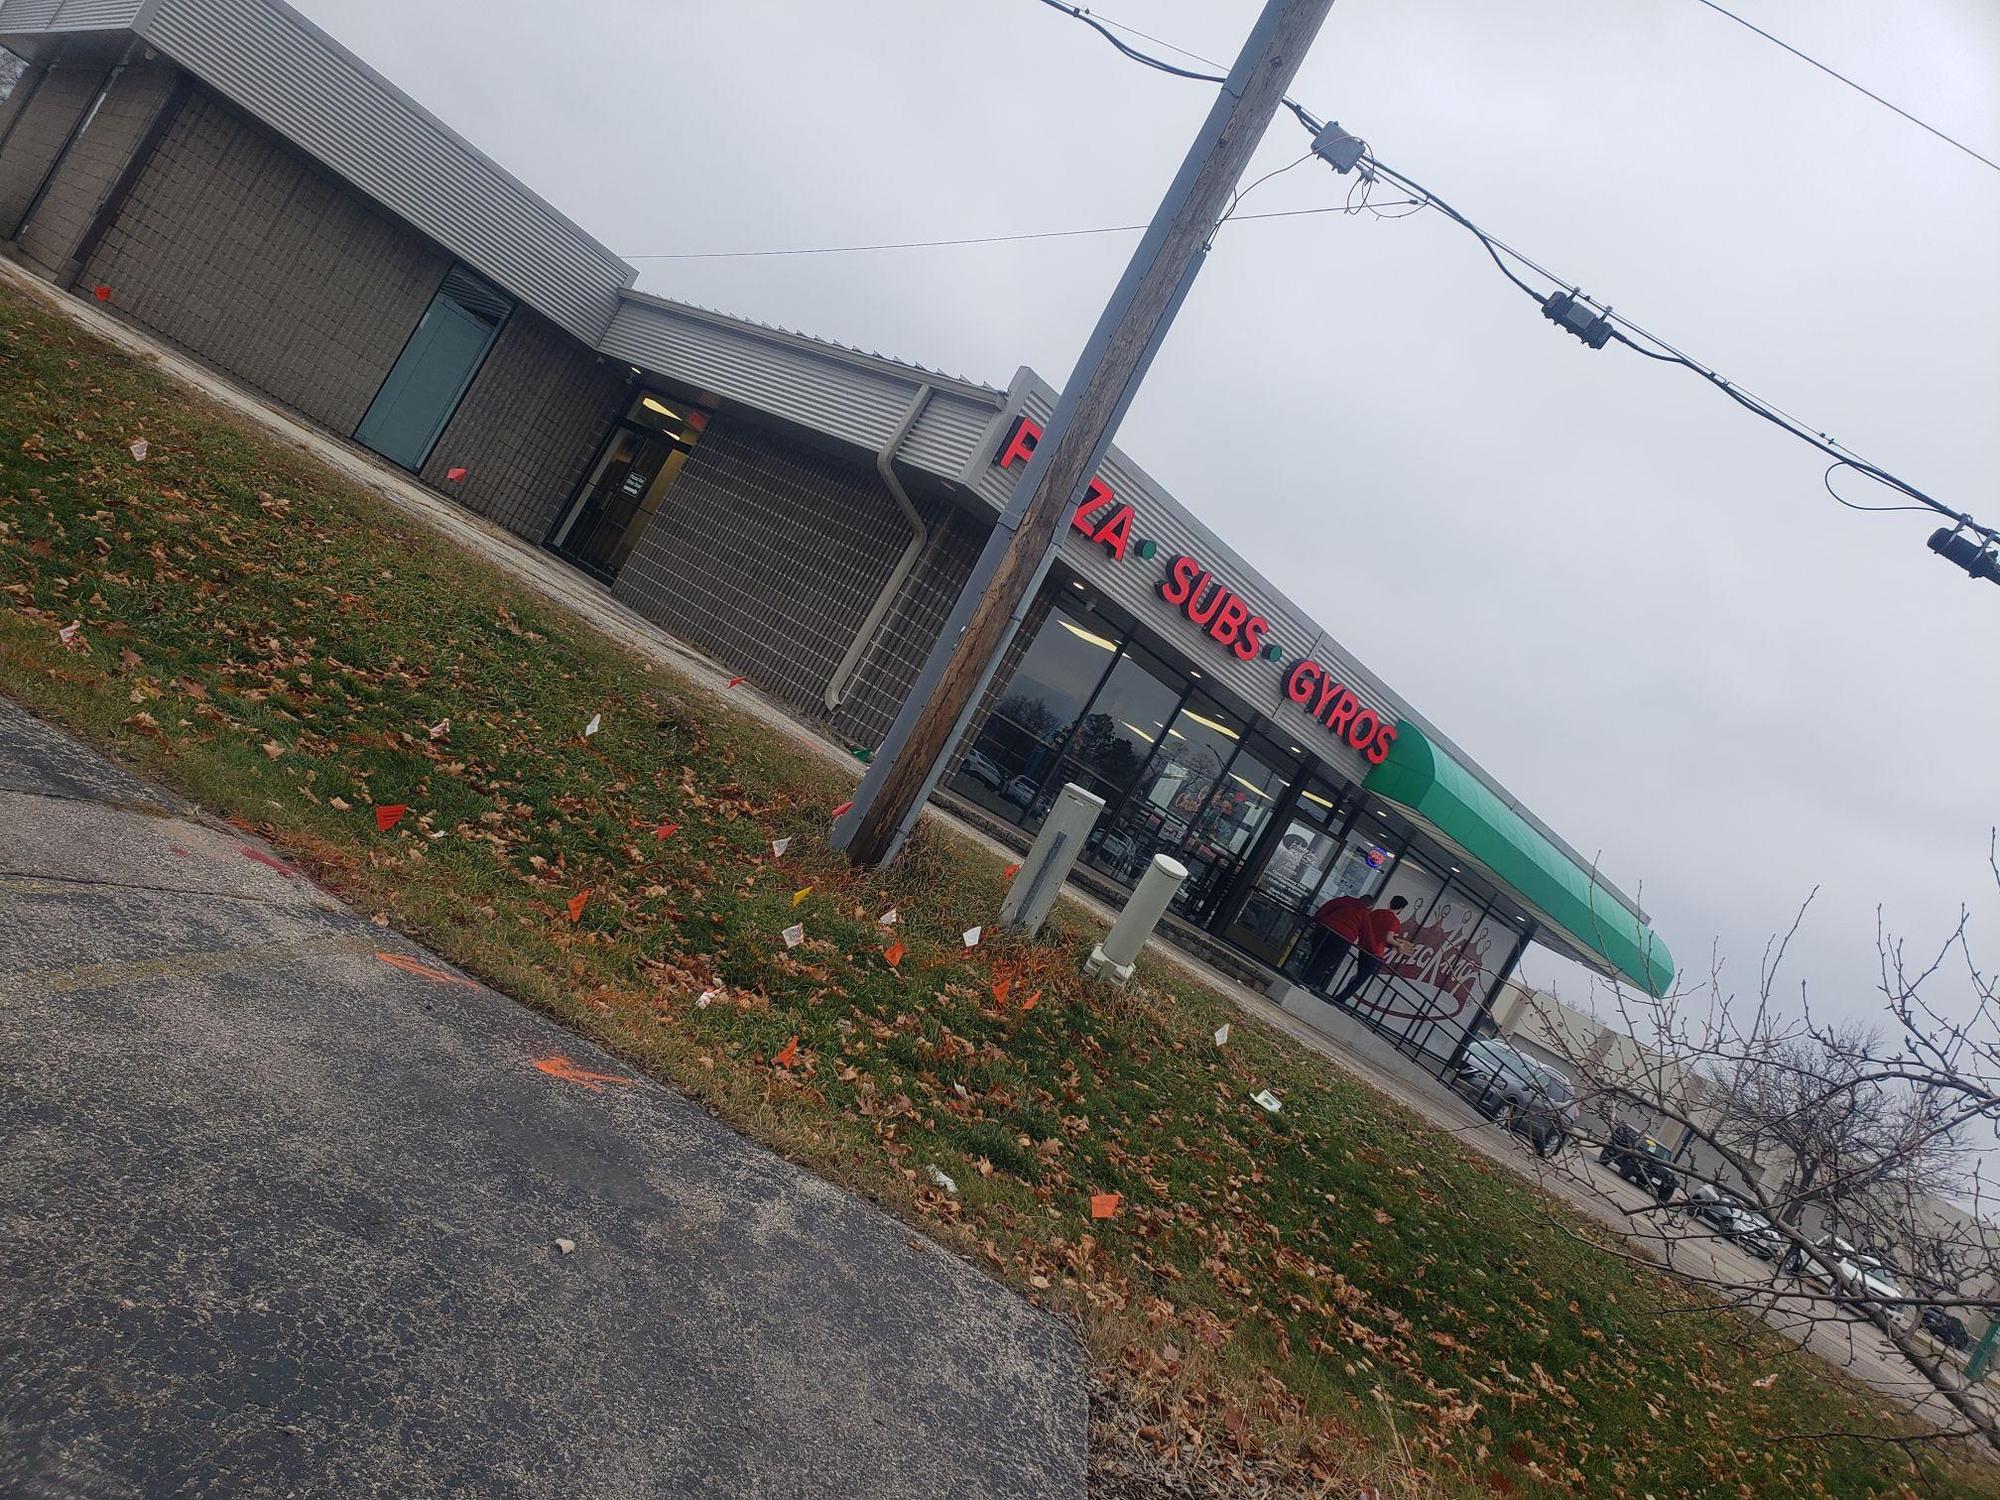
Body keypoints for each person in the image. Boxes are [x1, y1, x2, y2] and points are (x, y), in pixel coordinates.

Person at [1302, 893, 1408, 1003]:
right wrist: (1397, 945)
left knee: (1316, 956)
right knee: (1356, 976)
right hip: (1361, 946)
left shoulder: (1372, 911)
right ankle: (1337, 997)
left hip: (1328, 930)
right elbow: (1378, 935)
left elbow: (1328, 907)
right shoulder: (1391, 920)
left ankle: (1304, 979)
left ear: (1390, 903)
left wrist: (1317, 919)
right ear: (1401, 908)